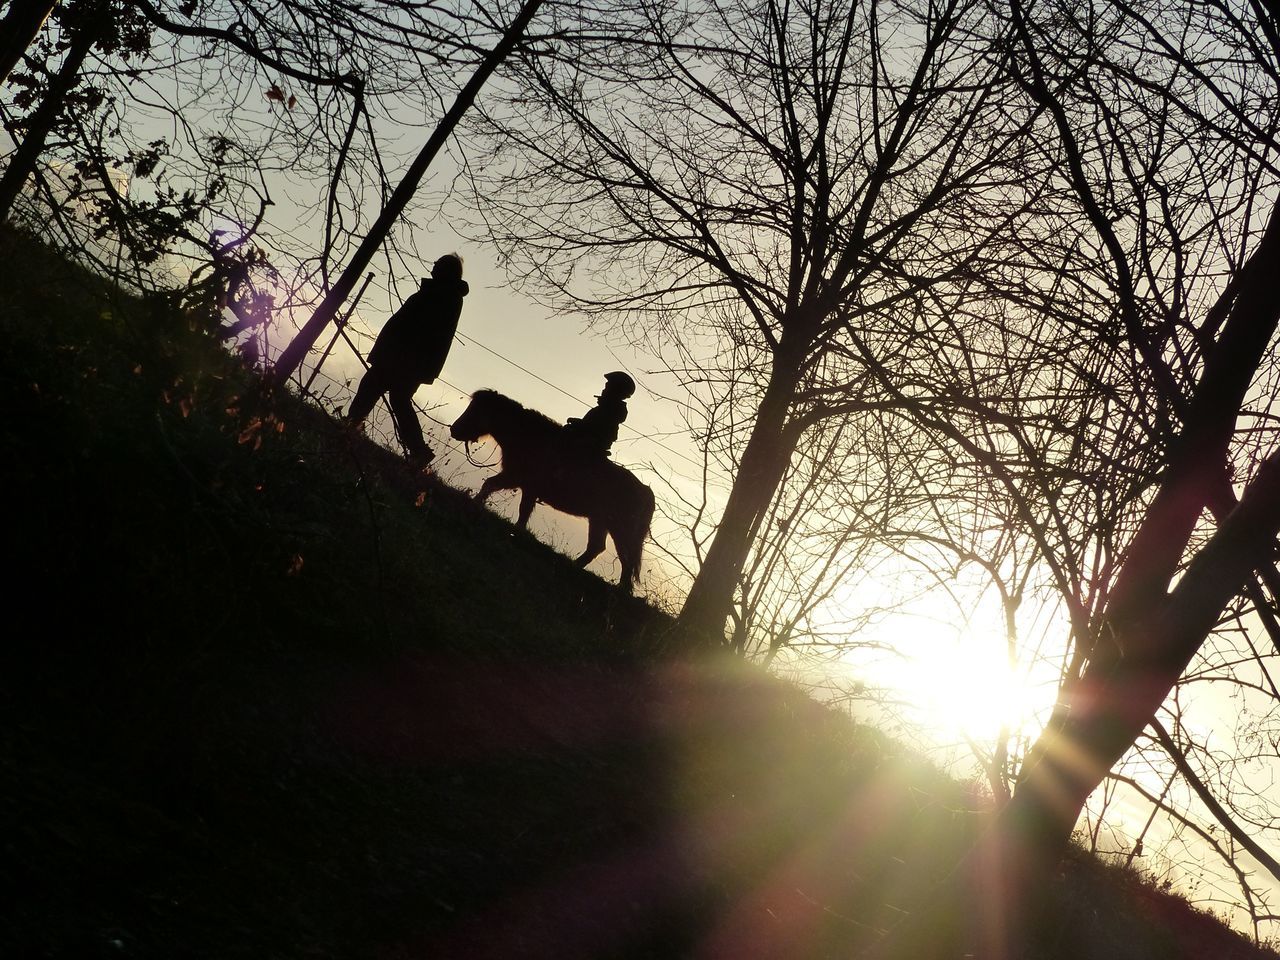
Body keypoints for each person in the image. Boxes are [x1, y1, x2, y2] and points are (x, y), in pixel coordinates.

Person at [345, 254, 469, 464]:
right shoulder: (443, 294)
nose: (432, 269)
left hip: (404, 358)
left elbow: (417, 327)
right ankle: (416, 449)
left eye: (437, 266)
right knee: (395, 398)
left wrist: (394, 350)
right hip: (407, 359)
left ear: (446, 271)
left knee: (376, 387)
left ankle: (351, 425)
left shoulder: (442, 295)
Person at [562, 370, 635, 459]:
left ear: (616, 391)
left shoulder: (613, 410)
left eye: (607, 387)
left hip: (592, 444)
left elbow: (596, 427)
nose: (604, 390)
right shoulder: (603, 408)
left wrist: (579, 423)